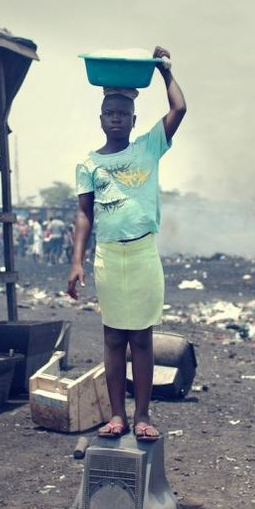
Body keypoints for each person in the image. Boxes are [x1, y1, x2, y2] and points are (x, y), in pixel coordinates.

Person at [67, 46, 186, 442]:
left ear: (134, 120)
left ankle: (143, 415)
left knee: (142, 338)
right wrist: (77, 262)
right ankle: (117, 415)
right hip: (107, 255)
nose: (116, 118)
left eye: (122, 114)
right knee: (114, 337)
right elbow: (85, 214)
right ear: (101, 119)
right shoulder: (88, 164)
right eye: (109, 113)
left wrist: (164, 70)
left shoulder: (149, 147)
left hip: (141, 253)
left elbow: (179, 109)